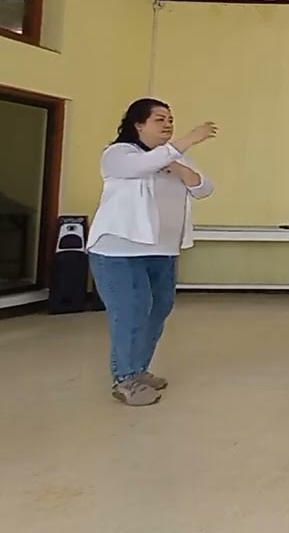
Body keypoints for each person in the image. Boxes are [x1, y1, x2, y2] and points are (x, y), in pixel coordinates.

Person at [87, 98, 217, 407]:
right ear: (138, 125)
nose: (169, 124)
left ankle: (139, 370)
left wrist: (177, 165)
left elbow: (204, 187)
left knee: (158, 309)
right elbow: (142, 167)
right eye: (160, 119)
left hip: (163, 250)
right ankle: (125, 379)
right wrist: (186, 142)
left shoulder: (172, 157)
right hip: (119, 251)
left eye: (171, 119)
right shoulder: (118, 154)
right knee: (130, 312)